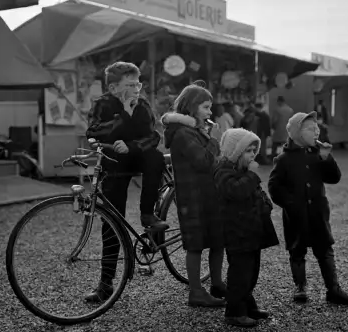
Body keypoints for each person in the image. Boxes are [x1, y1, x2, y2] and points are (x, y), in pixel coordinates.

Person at [84, 62, 169, 302]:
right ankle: (106, 284)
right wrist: (123, 114)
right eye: (130, 84)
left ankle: (147, 214)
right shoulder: (102, 104)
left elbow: (153, 136)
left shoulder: (142, 104)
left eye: (137, 84)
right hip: (113, 163)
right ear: (113, 87)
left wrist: (131, 146)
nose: (136, 89)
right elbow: (94, 132)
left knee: (155, 157)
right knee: (111, 225)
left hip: (137, 157)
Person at [268, 111, 348, 306]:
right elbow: (274, 188)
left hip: (318, 212)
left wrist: (327, 158)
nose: (317, 131)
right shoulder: (283, 159)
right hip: (296, 216)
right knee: (297, 251)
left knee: (325, 249)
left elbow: (334, 178)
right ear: (297, 133)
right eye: (310, 128)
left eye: (317, 127)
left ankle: (333, 289)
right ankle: (300, 287)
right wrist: (291, 204)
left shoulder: (318, 154)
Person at [161, 82, 226, 307]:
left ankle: (217, 283)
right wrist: (213, 141)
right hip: (193, 197)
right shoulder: (182, 133)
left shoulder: (195, 131)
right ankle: (196, 291)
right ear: (191, 107)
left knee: (219, 239)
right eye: (206, 107)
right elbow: (203, 162)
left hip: (209, 194)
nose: (210, 112)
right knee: (195, 245)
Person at [214, 128, 279, 328]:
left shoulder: (243, 172)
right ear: (235, 151)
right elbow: (237, 192)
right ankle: (234, 311)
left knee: (251, 272)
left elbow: (255, 193)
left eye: (254, 150)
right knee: (240, 274)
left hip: (250, 231)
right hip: (237, 232)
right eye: (248, 150)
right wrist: (252, 176)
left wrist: (266, 205)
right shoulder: (223, 172)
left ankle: (247, 305)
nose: (253, 154)